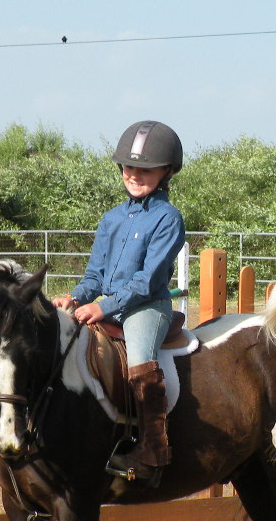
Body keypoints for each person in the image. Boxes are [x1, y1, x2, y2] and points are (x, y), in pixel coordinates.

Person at [50, 120, 187, 483]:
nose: (134, 174)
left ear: (167, 171)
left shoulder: (169, 219)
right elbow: (95, 275)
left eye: (145, 169)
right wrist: (76, 297)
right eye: (129, 167)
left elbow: (147, 281)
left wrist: (102, 307)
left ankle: (153, 452)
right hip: (108, 304)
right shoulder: (110, 219)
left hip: (146, 307)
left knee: (140, 360)